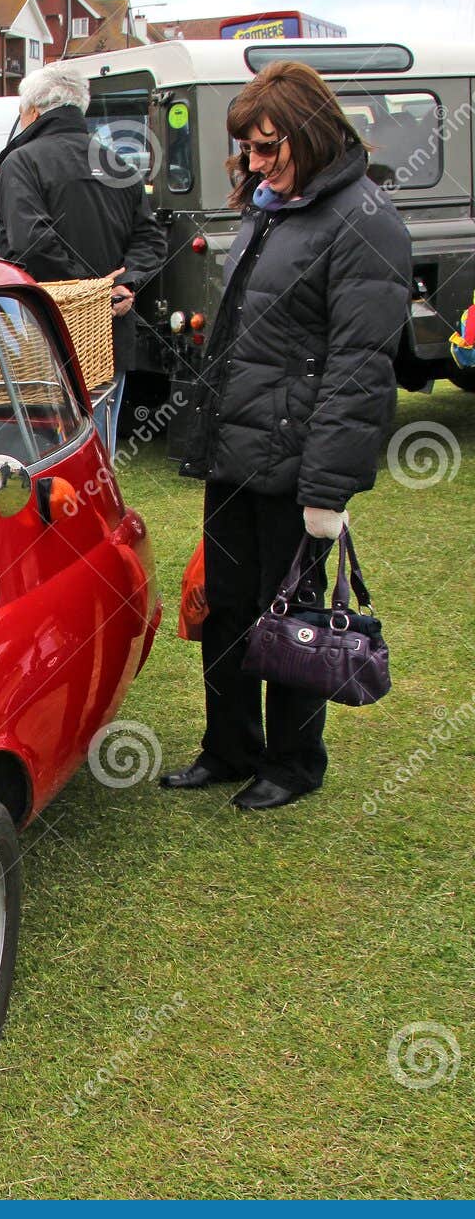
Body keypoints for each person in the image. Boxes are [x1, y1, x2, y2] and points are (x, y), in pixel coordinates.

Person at [161, 60, 410, 811]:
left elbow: (360, 367)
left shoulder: (365, 222)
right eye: (248, 148)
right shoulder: (270, 206)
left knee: (292, 620)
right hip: (237, 451)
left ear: (309, 131)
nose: (254, 162)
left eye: (268, 146)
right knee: (226, 610)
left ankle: (294, 762)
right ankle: (229, 748)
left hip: (298, 464)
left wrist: (328, 488)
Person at [0, 62, 166, 452]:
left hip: (46, 333)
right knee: (97, 450)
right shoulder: (117, 162)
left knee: (49, 456)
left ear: (32, 111)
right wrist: (117, 284)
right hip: (106, 331)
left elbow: (28, 242)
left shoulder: (23, 161)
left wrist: (103, 288)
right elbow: (151, 238)